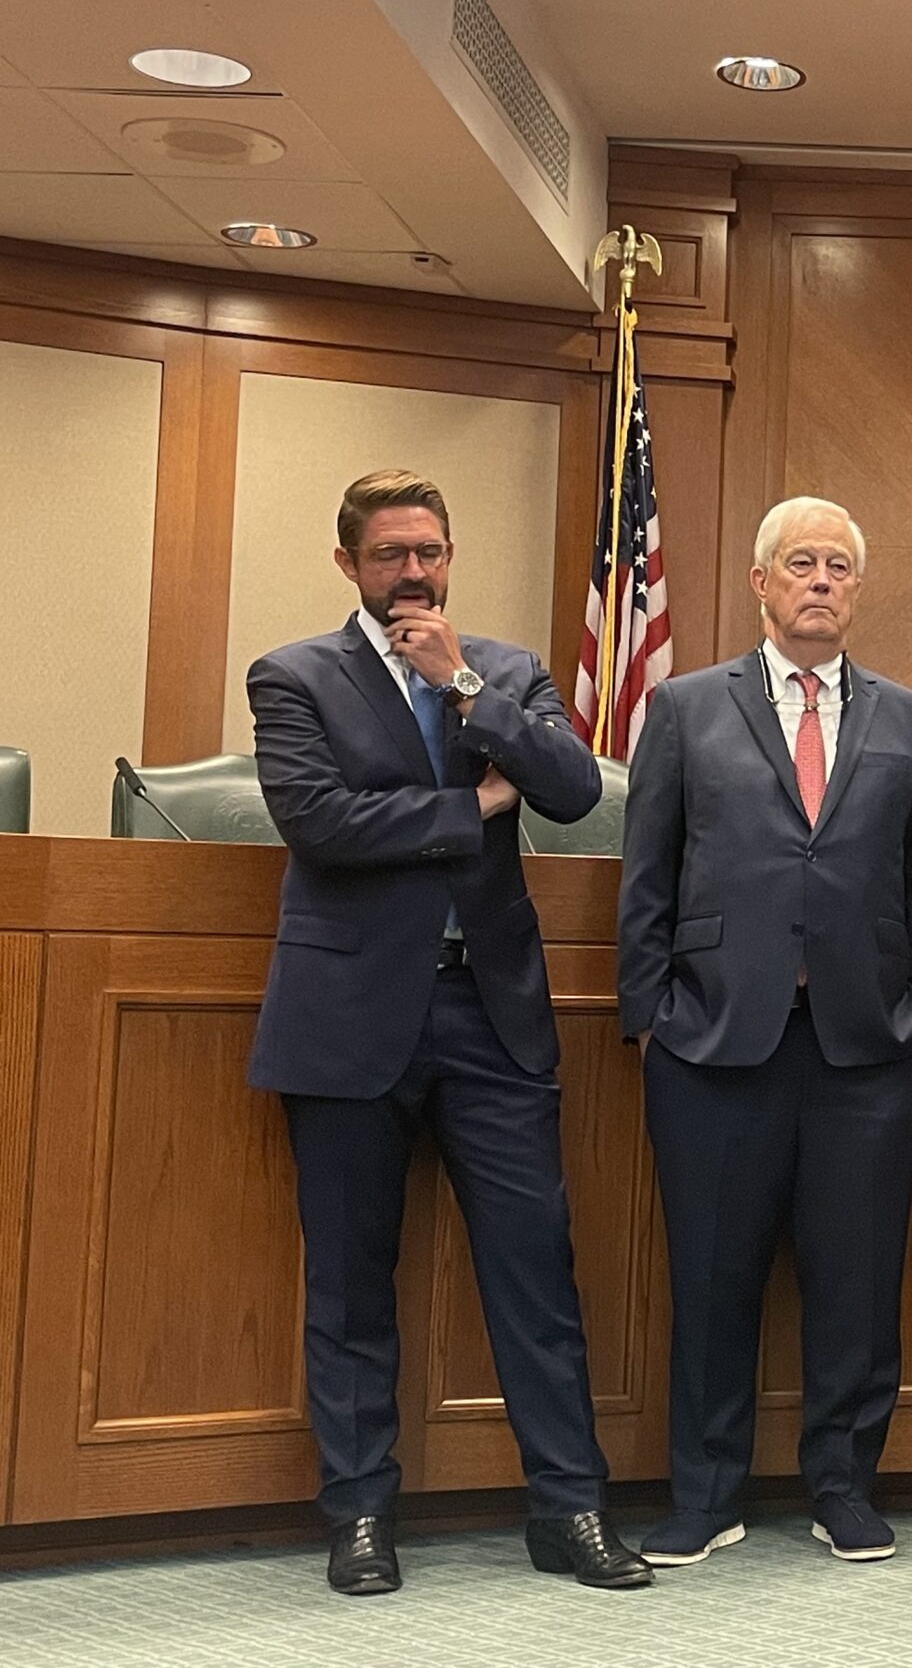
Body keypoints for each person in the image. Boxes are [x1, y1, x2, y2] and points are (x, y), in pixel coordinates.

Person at [246, 470, 649, 1596]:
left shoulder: (508, 672)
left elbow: (572, 791)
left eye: (427, 551)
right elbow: (319, 824)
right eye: (389, 556)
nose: (412, 573)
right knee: (350, 1283)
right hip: (346, 1022)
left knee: (537, 1274)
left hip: (492, 1017)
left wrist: (464, 686)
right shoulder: (292, 676)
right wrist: (467, 809)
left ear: (449, 553)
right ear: (348, 567)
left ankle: (569, 1507)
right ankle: (361, 1514)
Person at [618, 496, 912, 1571]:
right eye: (801, 563)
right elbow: (647, 881)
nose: (821, 580)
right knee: (712, 1276)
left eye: (840, 567)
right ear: (761, 583)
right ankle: (704, 1493)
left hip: (865, 1046)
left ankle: (844, 1487)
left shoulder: (909, 718)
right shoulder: (682, 707)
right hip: (714, 1042)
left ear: (857, 589)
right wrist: (650, 1018)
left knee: (857, 1279)